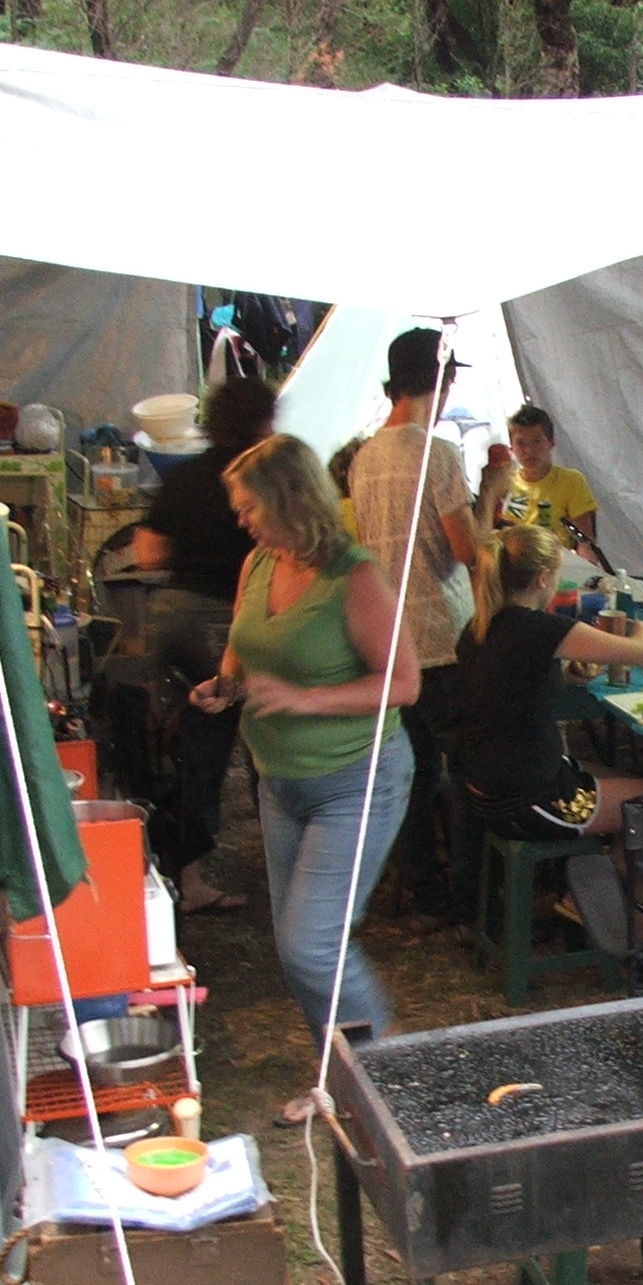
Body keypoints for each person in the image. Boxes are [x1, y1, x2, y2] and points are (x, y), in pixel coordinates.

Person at [187, 435, 418, 1125]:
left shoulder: (356, 577)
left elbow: (403, 684)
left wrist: (304, 699)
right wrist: (225, 685)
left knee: (311, 943)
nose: (241, 520)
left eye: (249, 506)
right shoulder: (261, 561)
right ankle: (341, 1076)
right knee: (301, 950)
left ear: (290, 499)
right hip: (281, 781)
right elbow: (243, 645)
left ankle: (386, 1076)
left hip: (356, 780)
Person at [348, 328, 499, 924]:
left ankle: (424, 893)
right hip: (440, 636)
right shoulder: (436, 454)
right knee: (466, 772)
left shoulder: (364, 456)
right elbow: (468, 550)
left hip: (388, 637)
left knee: (409, 775)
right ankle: (467, 900)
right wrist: (494, 488)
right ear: (442, 381)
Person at [130, 376, 277, 914]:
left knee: (195, 751)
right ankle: (282, 860)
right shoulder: (264, 481)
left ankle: (187, 874)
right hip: (229, 619)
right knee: (264, 741)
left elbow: (146, 554)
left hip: (175, 615)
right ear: (263, 422)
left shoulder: (186, 475)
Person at [454, 523, 643, 842]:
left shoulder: (480, 627)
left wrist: (567, 674)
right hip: (529, 799)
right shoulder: (540, 628)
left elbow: (509, 684)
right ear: (542, 578)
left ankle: (617, 867)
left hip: (487, 786)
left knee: (626, 785)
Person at [495, 405, 600, 557]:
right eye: (521, 443)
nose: (529, 451)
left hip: (559, 562)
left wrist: (585, 564)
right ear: (511, 447)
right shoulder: (504, 484)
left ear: (551, 443)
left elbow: (586, 541)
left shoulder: (571, 480)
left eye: (537, 441)